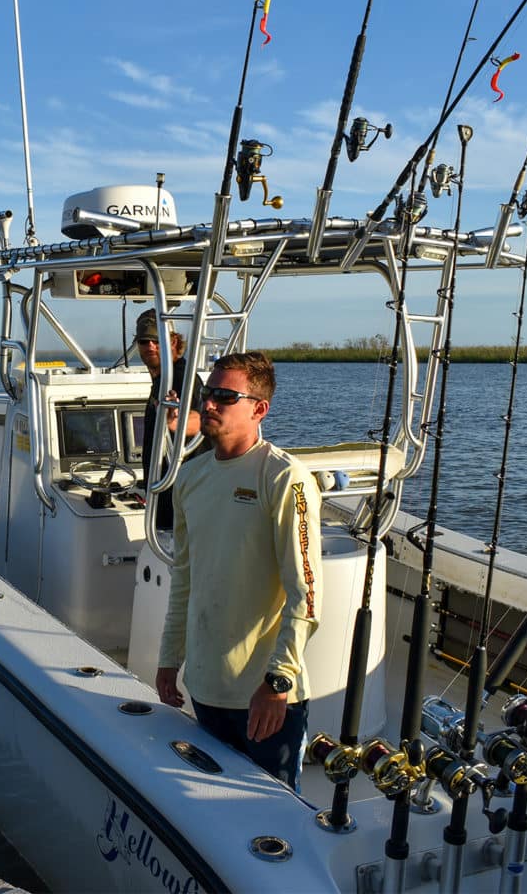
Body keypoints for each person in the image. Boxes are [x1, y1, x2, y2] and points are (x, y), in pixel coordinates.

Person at [156, 351, 322, 790]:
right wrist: (168, 660)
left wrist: (277, 682)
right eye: (209, 393)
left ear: (258, 408)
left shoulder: (285, 478)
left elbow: (306, 593)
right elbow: (185, 579)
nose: (208, 404)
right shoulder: (190, 477)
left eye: (224, 397)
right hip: (205, 690)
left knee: (272, 818)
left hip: (264, 698)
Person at [135, 308, 203, 529]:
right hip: (163, 493)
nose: (151, 346)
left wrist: (177, 420)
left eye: (157, 340)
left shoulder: (181, 378)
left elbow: (197, 422)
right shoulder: (161, 380)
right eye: (145, 341)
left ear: (173, 341)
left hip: (182, 496)